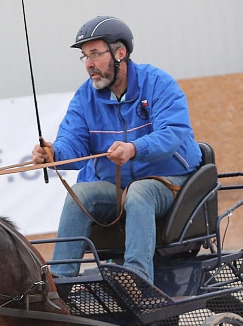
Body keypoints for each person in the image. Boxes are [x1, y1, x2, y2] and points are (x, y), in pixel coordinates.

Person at [33, 16, 201, 284]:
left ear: (120, 53)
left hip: (169, 181)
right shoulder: (85, 96)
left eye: (95, 54)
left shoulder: (159, 83)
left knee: (139, 192)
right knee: (81, 193)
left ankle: (135, 278)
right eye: (85, 57)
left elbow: (173, 134)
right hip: (117, 187)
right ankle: (59, 282)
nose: (89, 64)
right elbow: (73, 142)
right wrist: (55, 154)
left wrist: (135, 148)